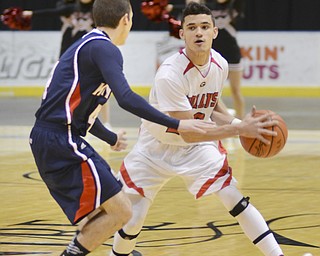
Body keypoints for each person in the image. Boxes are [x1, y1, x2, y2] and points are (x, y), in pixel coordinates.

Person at [28, 0, 214, 255]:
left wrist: (109, 137)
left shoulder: (88, 44)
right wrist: (177, 123)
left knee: (108, 208)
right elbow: (125, 97)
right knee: (121, 210)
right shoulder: (104, 48)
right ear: (126, 19)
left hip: (54, 137)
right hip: (60, 139)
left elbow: (77, 108)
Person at [109, 2, 285, 256]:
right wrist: (239, 130)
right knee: (133, 219)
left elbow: (211, 105)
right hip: (155, 149)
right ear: (182, 34)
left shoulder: (220, 64)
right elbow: (188, 130)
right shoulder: (170, 73)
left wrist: (238, 124)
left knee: (234, 198)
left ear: (215, 31)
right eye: (191, 27)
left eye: (204, 27)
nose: (198, 32)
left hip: (196, 149)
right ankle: (119, 254)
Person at [210, 0, 245, 118]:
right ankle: (224, 121)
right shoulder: (208, 6)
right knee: (214, 94)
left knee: (236, 91)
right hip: (214, 54)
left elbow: (221, 23)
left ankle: (241, 123)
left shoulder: (235, 6)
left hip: (232, 54)